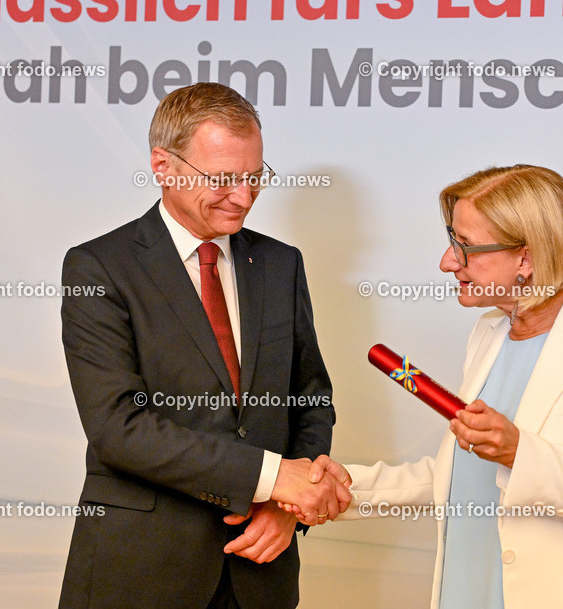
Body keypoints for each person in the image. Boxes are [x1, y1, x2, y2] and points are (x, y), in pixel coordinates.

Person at [298, 165, 563, 608]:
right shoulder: (488, 333)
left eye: (466, 247)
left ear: (526, 259)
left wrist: (519, 450)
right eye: (451, 240)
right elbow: (464, 476)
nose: (447, 261)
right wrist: (349, 487)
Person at [58, 82, 349, 609]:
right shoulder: (99, 267)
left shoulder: (282, 265)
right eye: (221, 179)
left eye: (254, 178)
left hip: (260, 572)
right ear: (163, 166)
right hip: (140, 574)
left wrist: (286, 508)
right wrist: (271, 478)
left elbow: (310, 398)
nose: (242, 197)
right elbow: (118, 428)